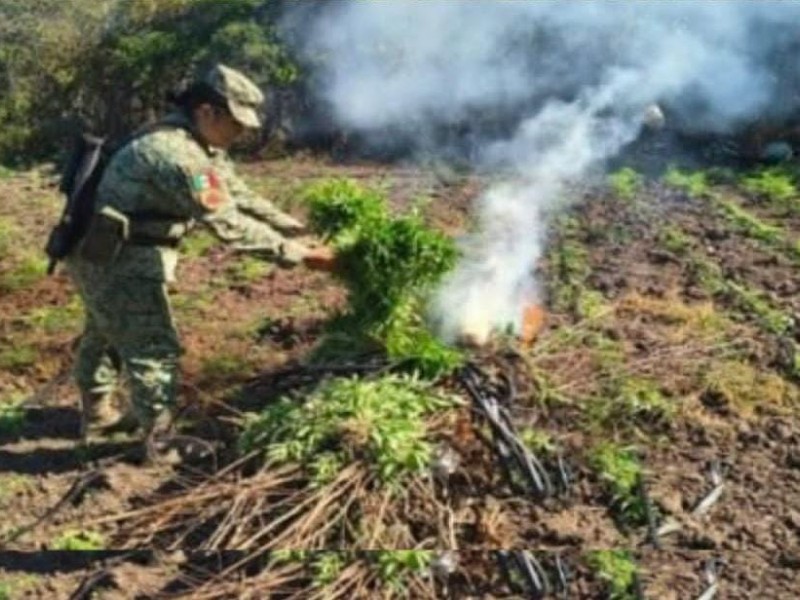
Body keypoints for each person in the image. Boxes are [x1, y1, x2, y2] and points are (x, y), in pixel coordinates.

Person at [67, 64, 336, 463]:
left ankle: (98, 415)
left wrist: (293, 230)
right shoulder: (175, 154)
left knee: (104, 332)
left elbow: (238, 195)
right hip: (117, 259)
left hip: (105, 252)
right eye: (237, 122)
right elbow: (226, 222)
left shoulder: (199, 145)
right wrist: (300, 255)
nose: (242, 133)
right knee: (153, 346)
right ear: (207, 112)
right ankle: (159, 443)